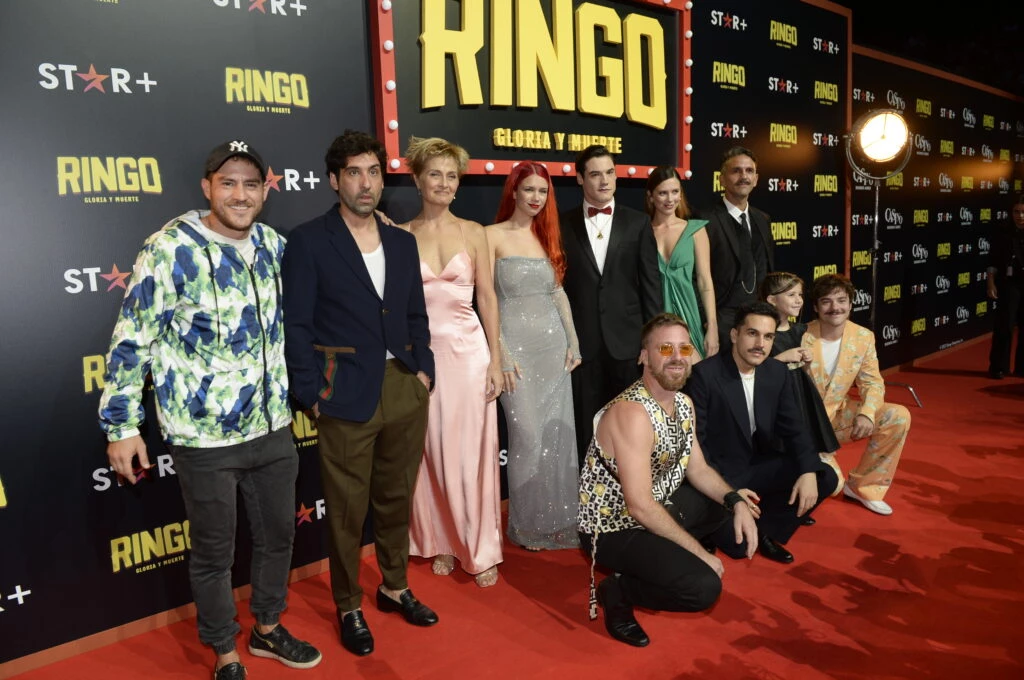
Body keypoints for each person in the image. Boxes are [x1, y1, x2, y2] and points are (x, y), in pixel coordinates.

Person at [98, 140, 322, 680]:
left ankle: (267, 629)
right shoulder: (170, 247)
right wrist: (122, 425)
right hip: (202, 441)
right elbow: (133, 339)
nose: (241, 195)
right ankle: (225, 650)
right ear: (207, 187)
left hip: (271, 428)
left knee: (278, 537)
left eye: (251, 184)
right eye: (228, 183)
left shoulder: (273, 245)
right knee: (214, 553)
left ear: (265, 189)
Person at [282, 130, 437, 658]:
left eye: (373, 171)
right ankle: (348, 604)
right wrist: (312, 393)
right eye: (354, 172)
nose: (365, 182)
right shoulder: (307, 241)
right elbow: (296, 325)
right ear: (334, 180)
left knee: (396, 498)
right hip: (343, 392)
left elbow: (416, 314)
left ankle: (394, 587)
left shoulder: (402, 241)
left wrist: (424, 371)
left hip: (404, 388)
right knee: (347, 510)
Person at [578, 313, 759, 647]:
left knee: (724, 507)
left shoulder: (684, 403)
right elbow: (640, 506)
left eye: (684, 348)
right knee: (703, 587)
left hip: (657, 506)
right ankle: (618, 589)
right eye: (665, 348)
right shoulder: (632, 413)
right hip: (614, 528)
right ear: (644, 356)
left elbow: (699, 470)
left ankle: (668, 556)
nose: (677, 357)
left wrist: (735, 499)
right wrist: (698, 554)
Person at [400, 136, 504, 587]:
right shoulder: (400, 236)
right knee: (431, 452)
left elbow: (488, 299)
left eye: (452, 176)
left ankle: (480, 548)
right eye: (435, 175)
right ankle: (442, 539)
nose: (444, 183)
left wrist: (496, 362)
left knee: (471, 457)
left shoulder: (475, 232)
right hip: (425, 359)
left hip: (469, 355)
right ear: (418, 180)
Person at [684, 302, 839, 564]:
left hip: (757, 465)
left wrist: (808, 471)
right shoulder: (705, 375)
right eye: (752, 333)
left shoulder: (776, 372)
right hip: (719, 472)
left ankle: (765, 531)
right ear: (734, 335)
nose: (761, 344)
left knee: (826, 477)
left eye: (768, 337)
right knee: (739, 547)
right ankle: (714, 527)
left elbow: (795, 428)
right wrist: (730, 492)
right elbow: (697, 444)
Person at [488, 161, 582, 551]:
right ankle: (527, 525)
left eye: (542, 192)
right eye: (528, 189)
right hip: (517, 352)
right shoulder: (489, 236)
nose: (535, 198)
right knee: (527, 435)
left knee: (558, 438)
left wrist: (573, 342)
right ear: (513, 191)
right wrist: (502, 355)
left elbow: (557, 293)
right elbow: (485, 299)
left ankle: (561, 520)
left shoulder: (547, 236)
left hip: (553, 350)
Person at [560, 144, 662, 466]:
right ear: (579, 179)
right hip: (582, 347)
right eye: (595, 174)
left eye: (609, 173)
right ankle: (590, 498)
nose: (604, 181)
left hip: (629, 345)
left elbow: (651, 288)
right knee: (585, 428)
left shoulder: (638, 223)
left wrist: (652, 344)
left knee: (631, 425)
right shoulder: (562, 225)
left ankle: (635, 494)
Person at [803, 274, 911, 516]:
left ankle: (863, 487)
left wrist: (867, 413)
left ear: (851, 304)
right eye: (826, 302)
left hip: (838, 418)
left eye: (841, 300)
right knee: (831, 486)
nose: (835, 308)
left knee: (897, 416)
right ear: (816, 307)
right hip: (804, 426)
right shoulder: (801, 336)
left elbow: (872, 382)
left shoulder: (863, 337)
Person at [695, 146, 774, 350]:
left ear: (756, 179)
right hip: (722, 321)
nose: (743, 177)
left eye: (749, 171)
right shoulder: (704, 220)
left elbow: (766, 270)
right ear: (721, 179)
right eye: (736, 171)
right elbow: (697, 278)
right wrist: (708, 323)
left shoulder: (762, 219)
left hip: (759, 321)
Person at [760, 272, 841, 470]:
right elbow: (754, 370)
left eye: (800, 295)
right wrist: (782, 358)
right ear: (771, 299)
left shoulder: (799, 330)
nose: (798, 301)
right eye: (791, 295)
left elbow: (801, 369)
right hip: (774, 397)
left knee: (805, 442)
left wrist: (805, 361)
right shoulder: (764, 333)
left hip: (800, 392)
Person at [645, 166, 718, 359]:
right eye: (662, 193)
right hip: (656, 317)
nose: (670, 199)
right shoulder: (642, 232)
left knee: (693, 377)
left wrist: (712, 327)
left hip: (689, 314)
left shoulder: (695, 230)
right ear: (651, 196)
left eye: (675, 192)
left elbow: (705, 282)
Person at [986, 195, 1024, 379]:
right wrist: (991, 282)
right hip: (1009, 284)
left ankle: (1022, 368)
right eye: (1016, 211)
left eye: (1023, 212)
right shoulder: (1003, 233)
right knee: (1005, 326)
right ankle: (999, 367)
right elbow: (993, 261)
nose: (1020, 216)